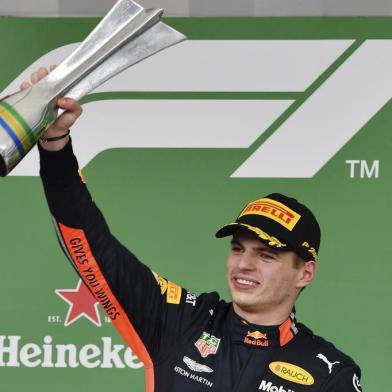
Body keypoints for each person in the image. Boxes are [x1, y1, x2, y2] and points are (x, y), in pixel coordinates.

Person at [25, 67, 362, 391]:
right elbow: (93, 248)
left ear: (305, 273)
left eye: (266, 255)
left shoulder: (330, 374)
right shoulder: (179, 321)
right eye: (238, 248)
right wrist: (55, 145)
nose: (244, 264)